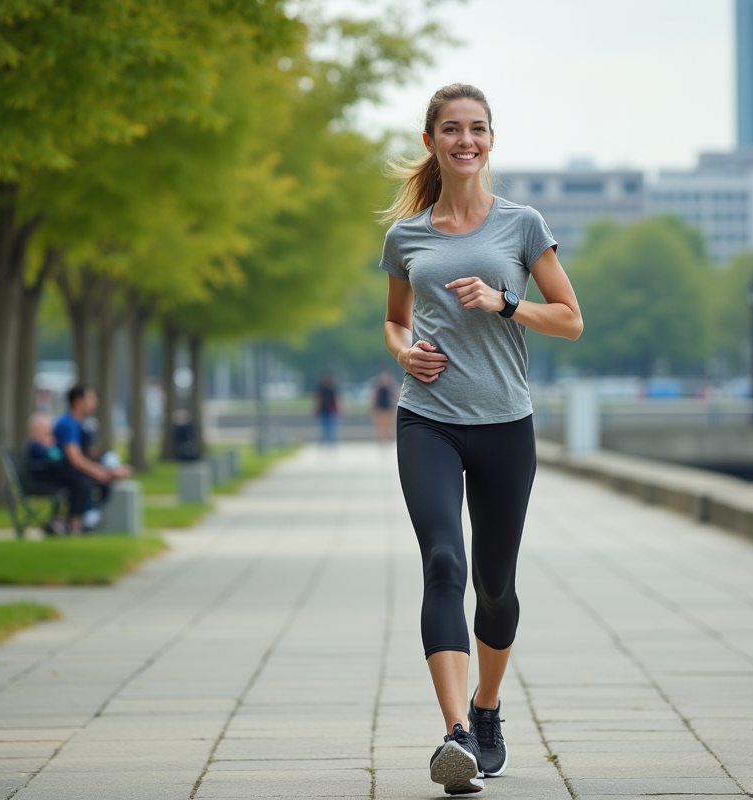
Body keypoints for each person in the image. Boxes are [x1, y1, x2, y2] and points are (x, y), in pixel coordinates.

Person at [380, 84, 583, 794]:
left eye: (477, 129)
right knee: (444, 562)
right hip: (427, 420)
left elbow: (570, 318)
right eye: (451, 129)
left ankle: (487, 707)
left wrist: (506, 302)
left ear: (490, 140)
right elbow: (395, 320)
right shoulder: (407, 236)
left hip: (504, 425)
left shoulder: (523, 225)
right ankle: (456, 735)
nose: (465, 140)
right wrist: (404, 354)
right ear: (433, 140)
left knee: (495, 589)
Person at [53, 384, 130, 533]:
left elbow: (90, 455)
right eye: (90, 398)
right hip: (61, 472)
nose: (95, 401)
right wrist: (100, 472)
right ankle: (77, 523)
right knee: (82, 481)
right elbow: (75, 459)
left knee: (100, 477)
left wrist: (110, 470)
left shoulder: (81, 424)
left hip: (73, 471)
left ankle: (89, 518)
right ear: (78, 402)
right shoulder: (67, 423)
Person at [372, 368, 397, 444]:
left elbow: (394, 396)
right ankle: (381, 440)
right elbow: (375, 397)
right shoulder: (378, 387)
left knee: (388, 424)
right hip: (380, 407)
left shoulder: (390, 387)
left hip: (387, 407)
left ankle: (387, 439)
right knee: (380, 425)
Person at [315, 372, 339, 447]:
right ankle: (323, 443)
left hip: (331, 410)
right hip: (323, 410)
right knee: (323, 429)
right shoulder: (321, 388)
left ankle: (332, 444)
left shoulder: (333, 388)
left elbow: (337, 399)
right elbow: (318, 399)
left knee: (332, 428)